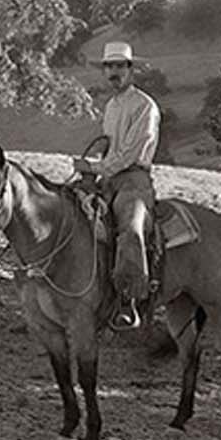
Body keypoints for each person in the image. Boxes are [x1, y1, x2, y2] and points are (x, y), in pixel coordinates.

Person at [72, 41, 161, 330]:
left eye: (120, 66)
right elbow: (111, 149)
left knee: (130, 228)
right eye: (109, 67)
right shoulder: (111, 107)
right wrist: (90, 172)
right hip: (109, 179)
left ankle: (128, 299)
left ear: (130, 70)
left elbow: (133, 152)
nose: (114, 72)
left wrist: (96, 167)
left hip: (134, 180)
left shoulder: (145, 106)